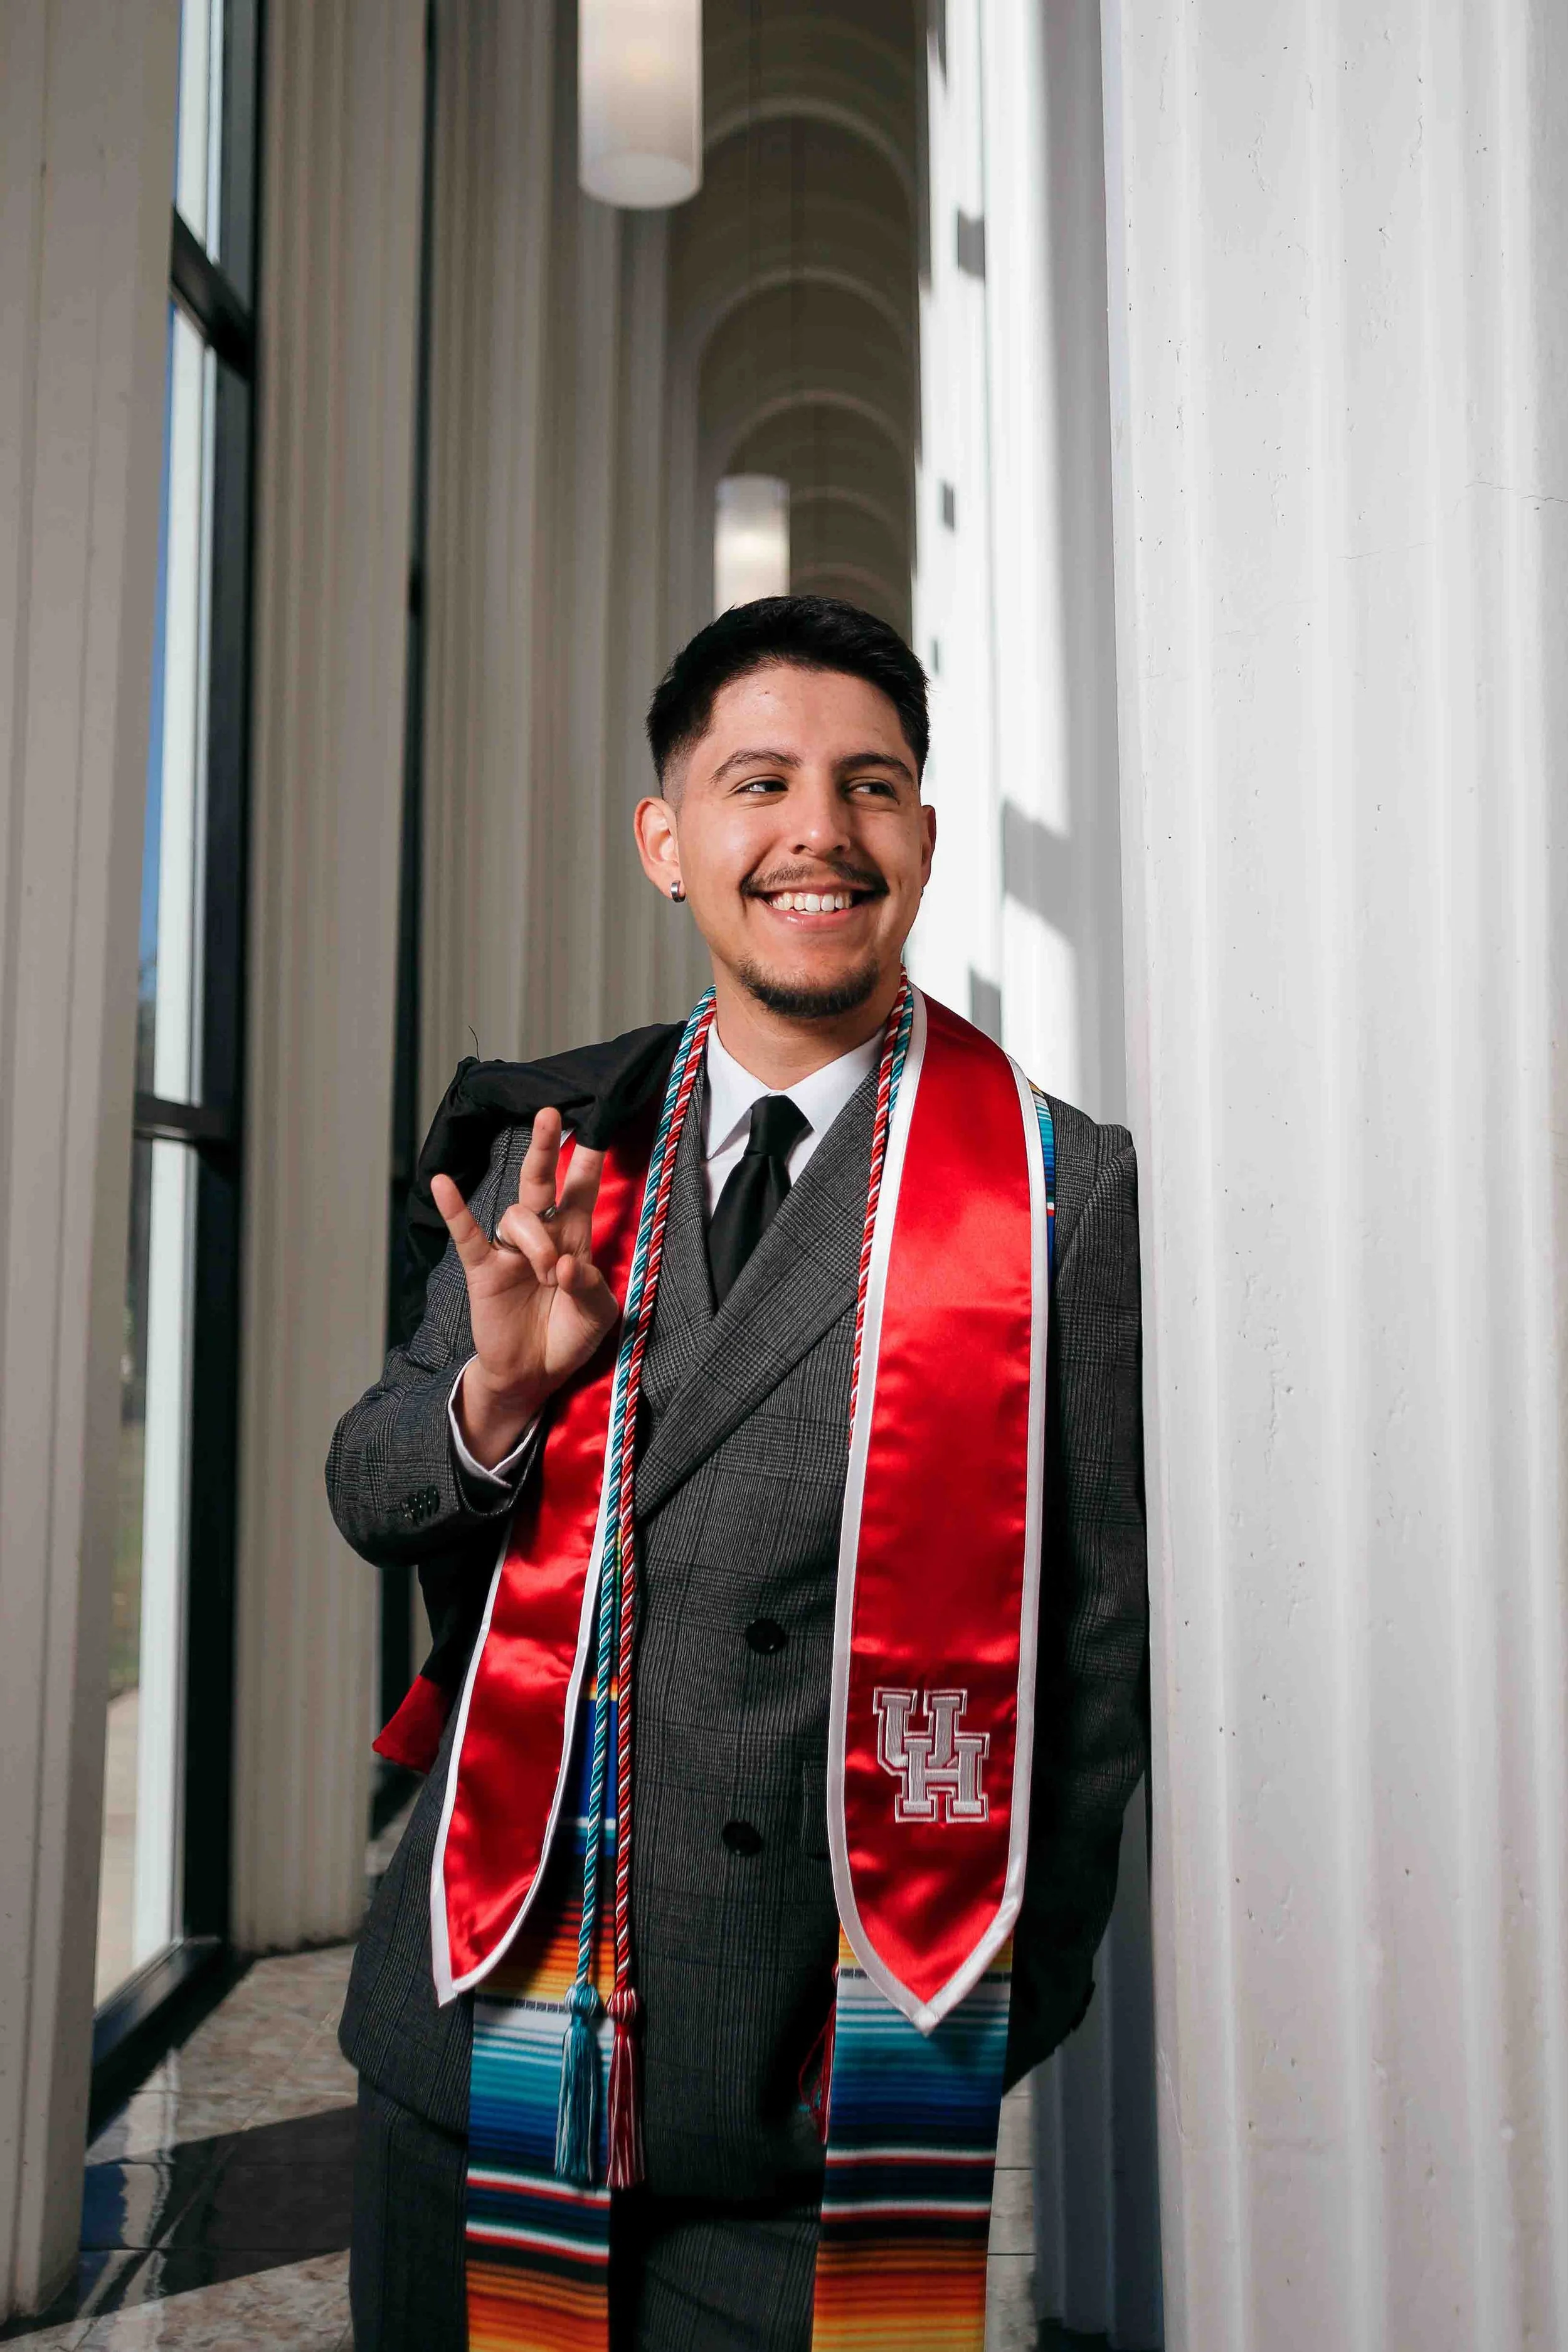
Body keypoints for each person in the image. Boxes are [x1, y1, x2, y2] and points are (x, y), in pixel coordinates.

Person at [327, 595, 1147, 2352]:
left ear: (918, 836)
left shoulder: (1052, 1188)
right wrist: (489, 1390)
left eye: (869, 786)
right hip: (486, 2023)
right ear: (667, 838)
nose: (814, 831)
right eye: (756, 780)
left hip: (827, 2074)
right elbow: (370, 1487)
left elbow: (1091, 1660)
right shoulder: (546, 1143)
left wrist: (986, 2007)